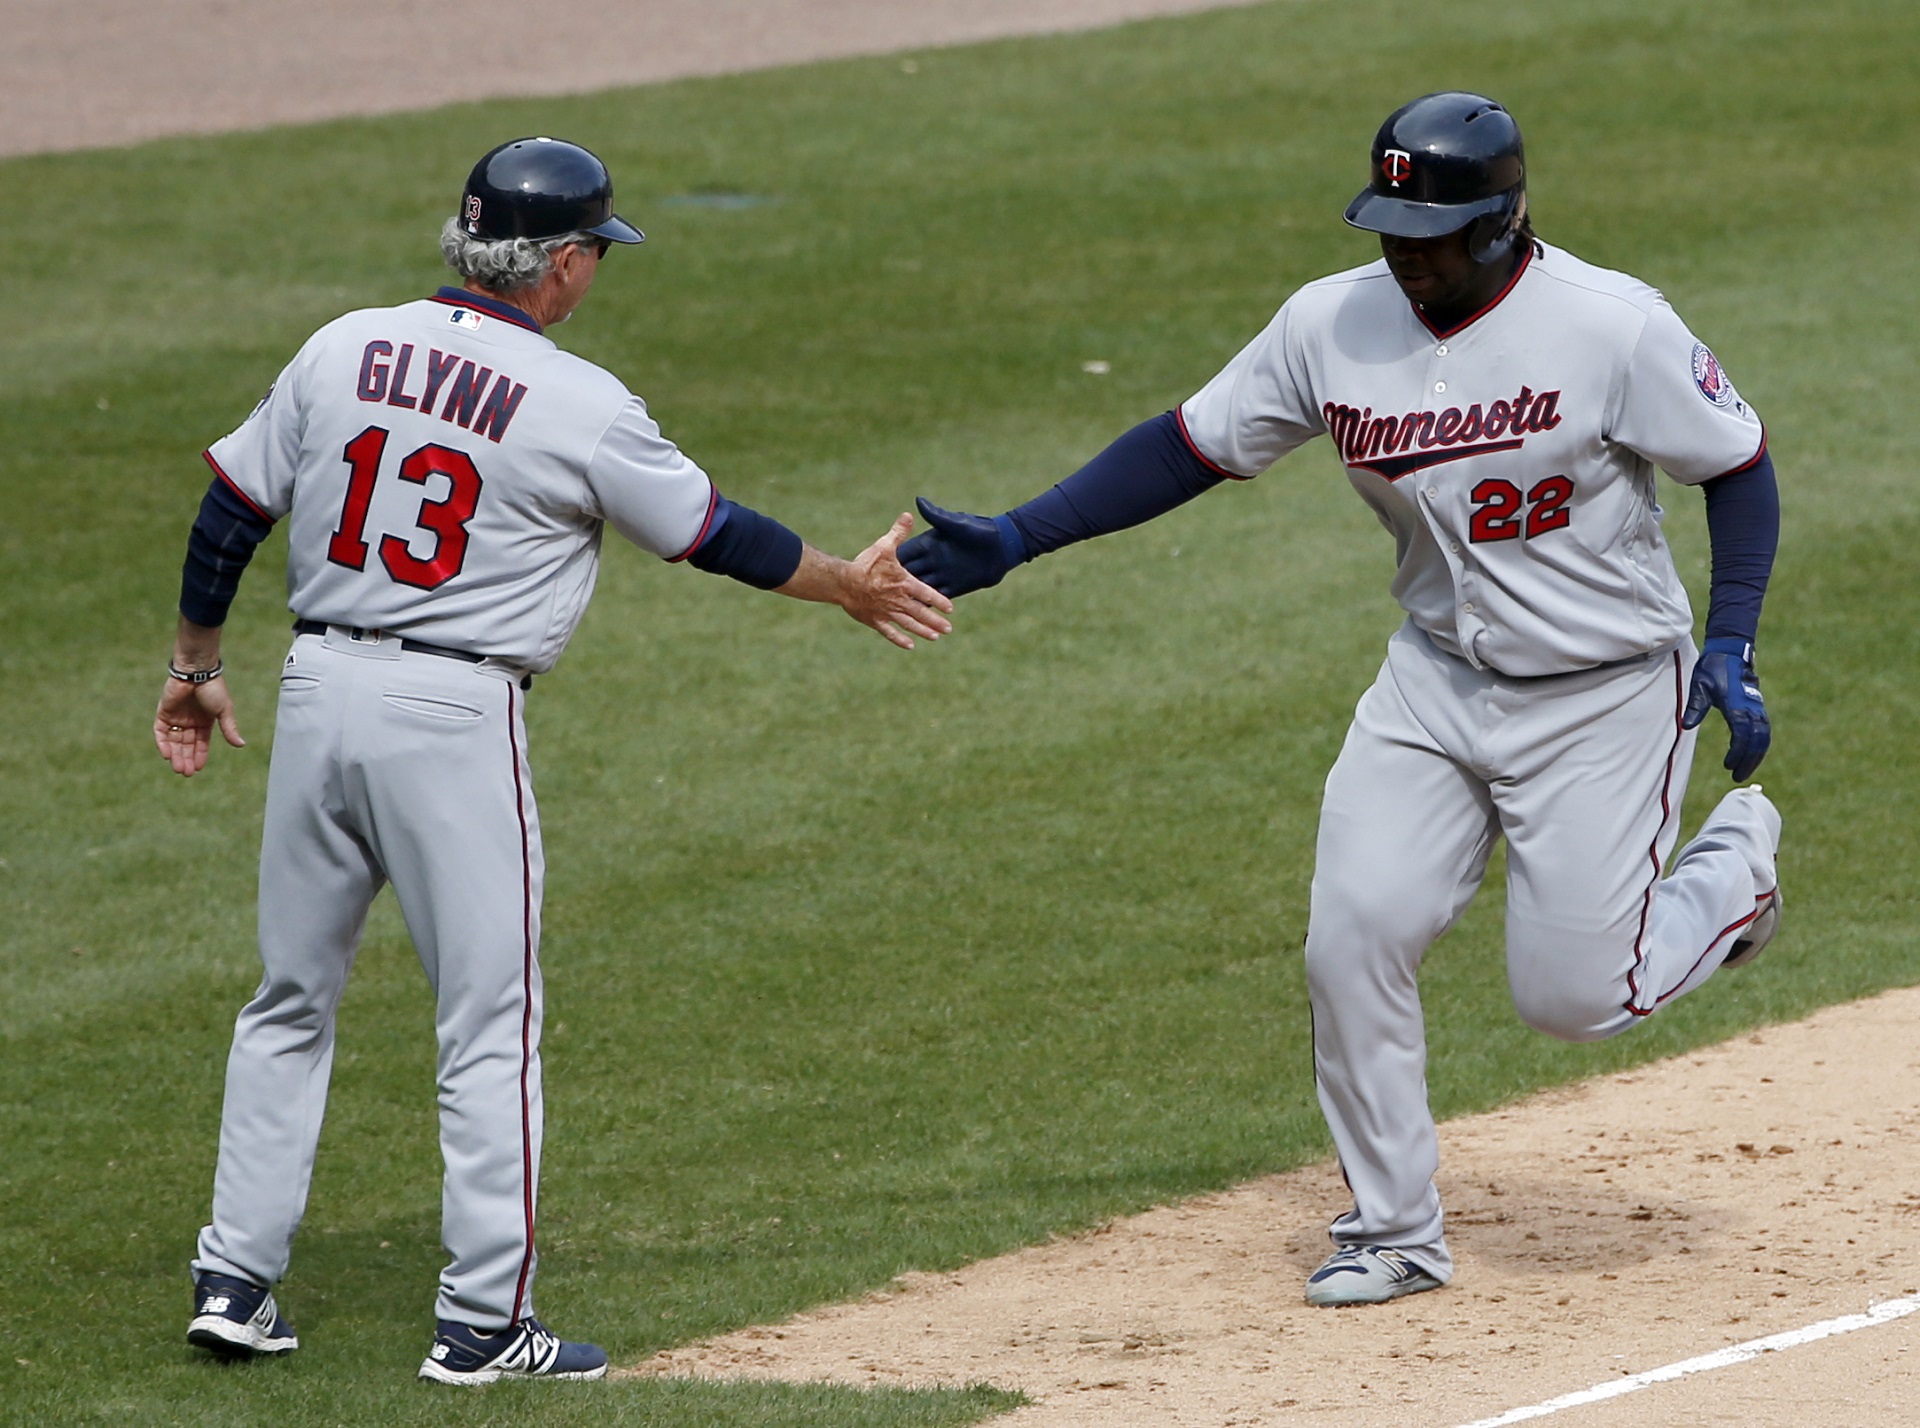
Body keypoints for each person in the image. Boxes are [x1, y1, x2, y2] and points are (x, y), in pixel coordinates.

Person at [898, 92, 1781, 1307]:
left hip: (1604, 691)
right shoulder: (1332, 322)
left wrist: (1730, 639)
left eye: (1434, 234)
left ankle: (1736, 876)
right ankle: (1394, 1228)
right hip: (1433, 680)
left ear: (1505, 221)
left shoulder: (1612, 328)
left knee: (1575, 1002)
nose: (1407, 257)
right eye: (1393, 230)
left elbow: (1738, 465)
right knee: (1352, 937)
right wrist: (1018, 536)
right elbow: (1187, 446)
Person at [156, 136, 953, 1381]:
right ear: (565, 264)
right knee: (489, 1025)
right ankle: (482, 1324)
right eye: (597, 254)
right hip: (452, 716)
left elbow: (229, 509)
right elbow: (714, 534)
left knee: (289, 998)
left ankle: (233, 1280)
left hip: (317, 692)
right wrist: (843, 586)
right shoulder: (577, 400)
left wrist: (198, 664)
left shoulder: (340, 343)